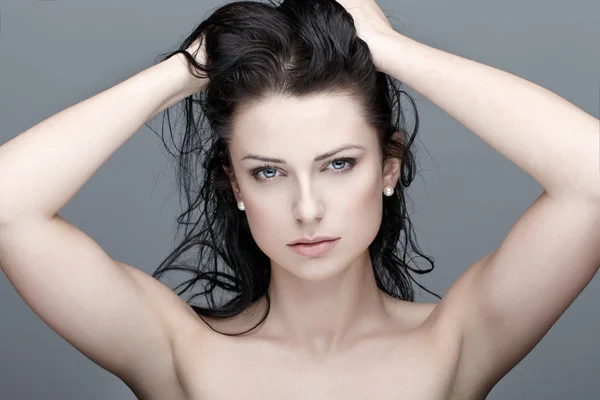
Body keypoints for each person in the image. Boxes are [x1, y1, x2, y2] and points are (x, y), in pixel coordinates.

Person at [0, 0, 598, 399]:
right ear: (235, 186)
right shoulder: (178, 350)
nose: (307, 208)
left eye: (339, 164)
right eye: (268, 173)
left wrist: (389, 49)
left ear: (389, 165)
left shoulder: (455, 338)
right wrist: (187, 70)